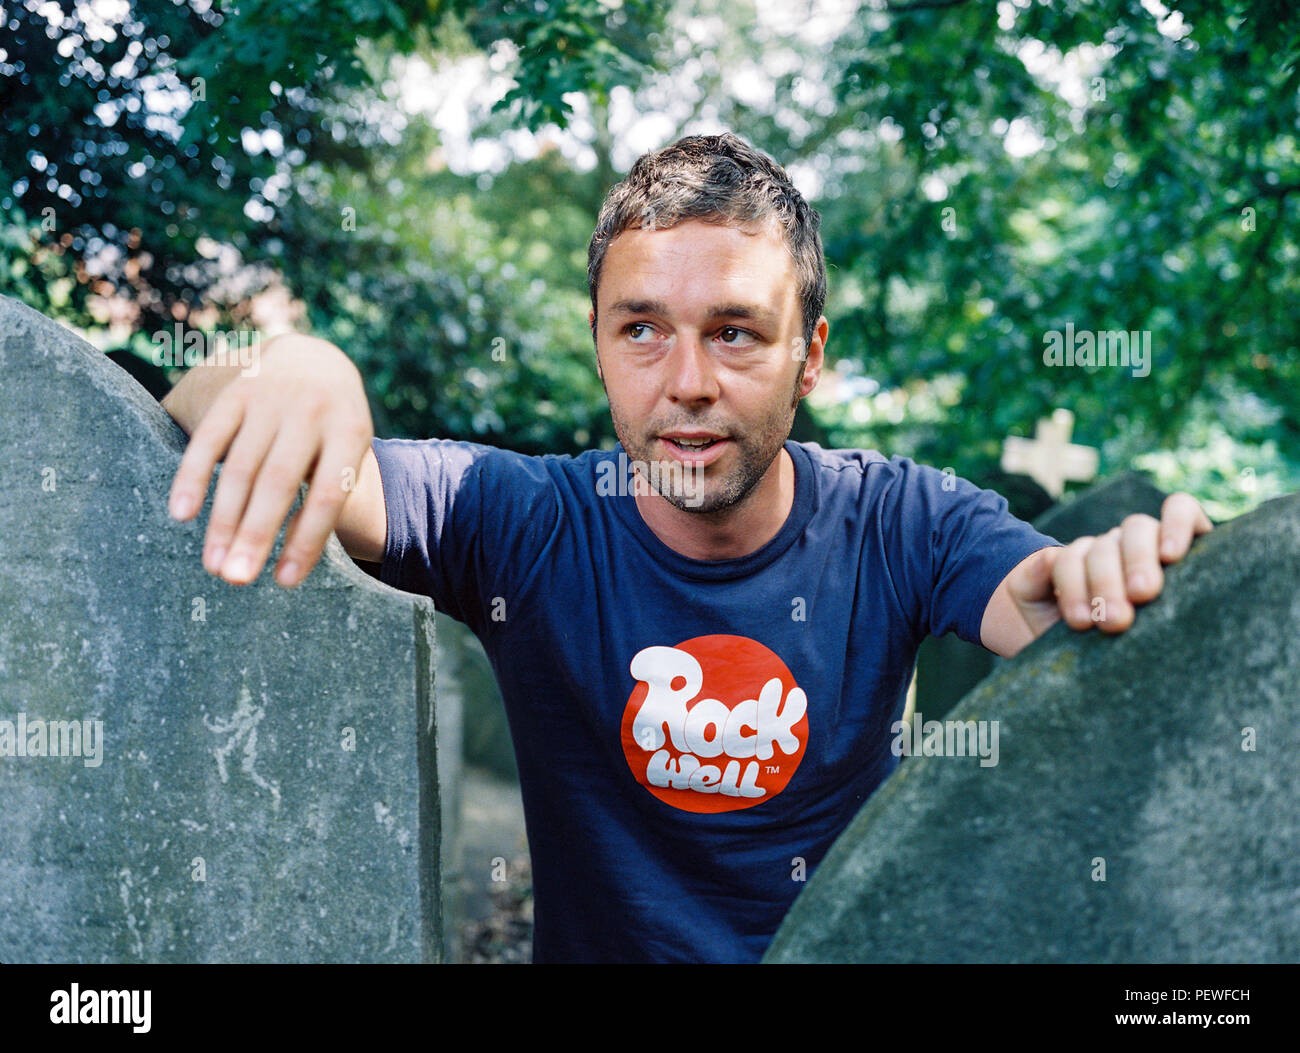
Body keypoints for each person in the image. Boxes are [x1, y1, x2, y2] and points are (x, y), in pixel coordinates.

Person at [161, 132, 1214, 962]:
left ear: (809, 358)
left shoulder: (905, 521)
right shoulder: (521, 519)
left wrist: (1124, 583)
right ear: (601, 345)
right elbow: (245, 429)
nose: (689, 381)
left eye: (737, 331)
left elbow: (1038, 599)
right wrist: (283, 370)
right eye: (643, 329)